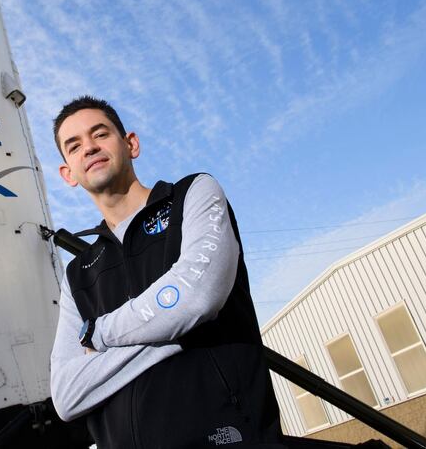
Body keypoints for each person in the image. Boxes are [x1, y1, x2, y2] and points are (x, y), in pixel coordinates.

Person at [49, 96, 283, 448]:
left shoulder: (193, 195)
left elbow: (198, 298)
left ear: (131, 144)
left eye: (100, 134)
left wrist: (99, 334)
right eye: (75, 145)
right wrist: (173, 327)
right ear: (68, 173)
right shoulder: (78, 274)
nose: (90, 148)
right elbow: (66, 396)